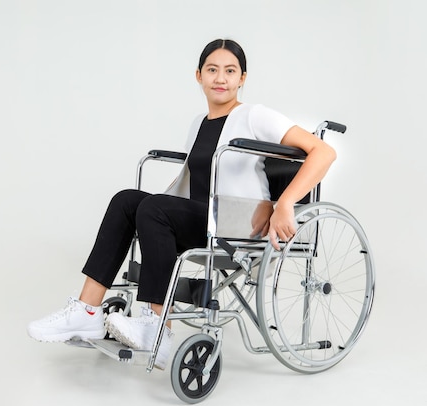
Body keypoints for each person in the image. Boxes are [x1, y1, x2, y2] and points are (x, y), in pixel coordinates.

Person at [26, 39, 337, 370]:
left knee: (154, 209)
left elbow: (324, 152)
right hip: (202, 217)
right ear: (199, 76)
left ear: (242, 78)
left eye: (230, 71)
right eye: (212, 70)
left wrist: (285, 203)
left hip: (239, 221)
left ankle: (157, 327)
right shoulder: (198, 123)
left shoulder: (255, 116)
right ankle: (87, 311)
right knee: (126, 201)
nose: (221, 78)